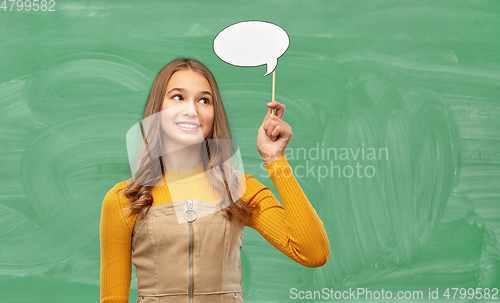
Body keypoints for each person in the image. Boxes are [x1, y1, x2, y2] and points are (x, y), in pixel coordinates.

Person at [100, 58, 330, 303]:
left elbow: (313, 253)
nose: (192, 110)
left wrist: (275, 160)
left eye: (204, 100)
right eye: (178, 97)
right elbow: (112, 298)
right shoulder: (124, 199)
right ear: (157, 109)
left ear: (213, 114)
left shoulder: (240, 189)